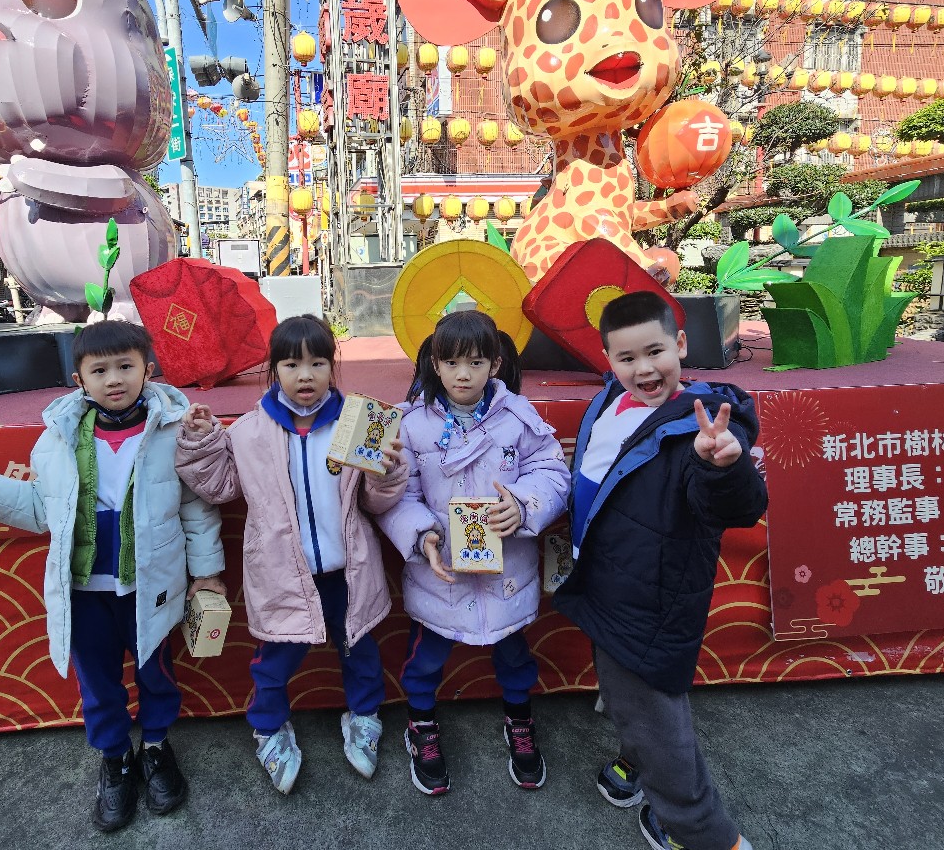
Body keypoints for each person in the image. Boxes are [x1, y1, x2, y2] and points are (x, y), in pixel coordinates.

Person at [0, 320, 224, 834]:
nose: (114, 379)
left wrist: (208, 572)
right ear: (79, 380)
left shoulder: (173, 431)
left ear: (148, 370)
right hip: (84, 592)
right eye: (99, 371)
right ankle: (115, 757)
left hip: (150, 586)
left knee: (156, 673)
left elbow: (196, 508)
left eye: (125, 366)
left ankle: (155, 747)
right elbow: (43, 511)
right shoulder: (56, 440)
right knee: (98, 682)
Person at [554, 290, 767, 850]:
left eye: (655, 352)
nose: (644, 369)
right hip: (605, 582)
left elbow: (736, 506)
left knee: (653, 714)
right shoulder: (608, 400)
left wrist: (724, 466)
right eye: (627, 358)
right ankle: (635, 762)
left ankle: (704, 832)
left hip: (654, 597)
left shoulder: (701, 427)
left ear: (681, 345)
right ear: (608, 360)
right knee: (628, 696)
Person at [174, 314, 406, 794]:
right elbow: (219, 487)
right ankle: (268, 728)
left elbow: (376, 502)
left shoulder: (360, 424)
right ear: (273, 369)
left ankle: (364, 716)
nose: (306, 375)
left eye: (318, 363)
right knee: (274, 662)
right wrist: (201, 442)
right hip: (283, 573)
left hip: (348, 570)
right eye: (292, 364)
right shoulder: (249, 432)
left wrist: (387, 474)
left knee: (360, 651)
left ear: (332, 367)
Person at [377, 310, 571, 796]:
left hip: (507, 571)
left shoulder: (519, 418)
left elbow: (552, 472)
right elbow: (400, 496)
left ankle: (519, 719)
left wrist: (522, 505)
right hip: (440, 575)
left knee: (515, 656)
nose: (463, 375)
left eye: (476, 363)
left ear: (496, 364)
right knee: (425, 659)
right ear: (435, 364)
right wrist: (422, 535)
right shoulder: (410, 425)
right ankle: (421, 724)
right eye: (452, 363)